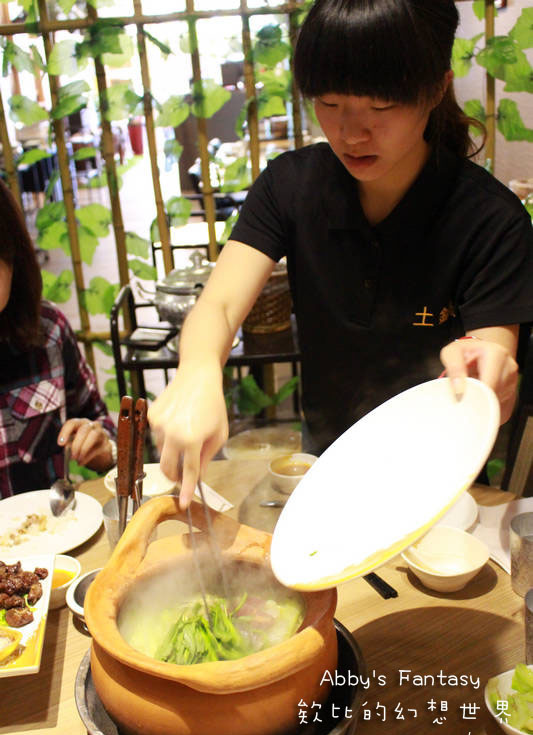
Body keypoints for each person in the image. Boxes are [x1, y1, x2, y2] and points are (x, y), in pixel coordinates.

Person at [148, 0, 533, 509]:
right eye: (329, 103)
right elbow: (218, 306)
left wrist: (494, 373)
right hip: (323, 466)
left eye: (380, 107)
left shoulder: (491, 218)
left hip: (440, 478)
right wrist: (198, 372)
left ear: (437, 88)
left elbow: (492, 360)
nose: (351, 133)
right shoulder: (289, 186)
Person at [0, 178, 117, 498]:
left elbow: (101, 428)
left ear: (13, 261)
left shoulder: (47, 332)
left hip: (50, 533)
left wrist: (102, 447)